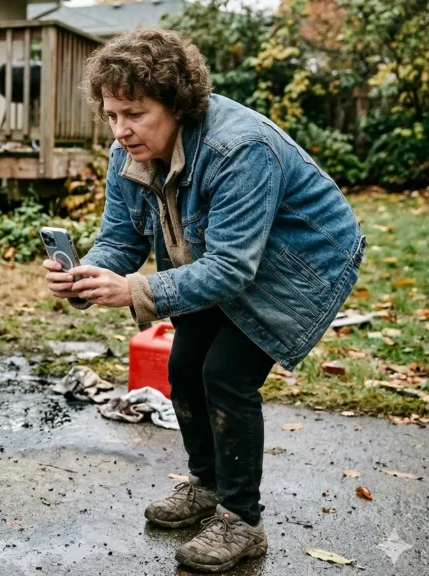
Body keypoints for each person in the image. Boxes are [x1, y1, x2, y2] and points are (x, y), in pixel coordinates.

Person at [43, 28, 364, 573]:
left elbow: (235, 265)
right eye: (112, 115)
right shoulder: (131, 151)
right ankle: (206, 485)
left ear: (177, 103)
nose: (120, 130)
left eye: (135, 114)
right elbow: (122, 237)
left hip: (297, 262)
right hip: (214, 261)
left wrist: (138, 289)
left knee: (226, 375)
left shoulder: (239, 148)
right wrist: (89, 274)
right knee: (185, 365)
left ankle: (243, 522)